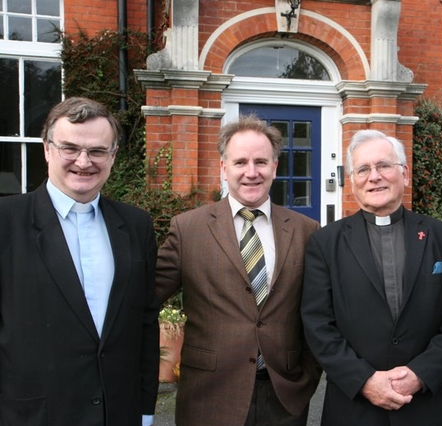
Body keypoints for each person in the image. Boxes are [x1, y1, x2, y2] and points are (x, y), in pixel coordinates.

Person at [0, 97, 160, 425]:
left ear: (113, 156)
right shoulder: (6, 222)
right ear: (47, 150)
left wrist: (145, 410)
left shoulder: (136, 225)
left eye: (98, 151)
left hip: (118, 413)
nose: (84, 162)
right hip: (31, 415)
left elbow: (145, 323)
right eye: (69, 148)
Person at [301, 129, 442, 426]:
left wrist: (421, 373)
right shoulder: (325, 244)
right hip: (354, 407)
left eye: (384, 166)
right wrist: (365, 380)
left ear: (405, 174)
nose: (375, 176)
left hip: (430, 405)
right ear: (352, 181)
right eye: (363, 169)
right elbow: (317, 323)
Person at [155, 115, 322, 426]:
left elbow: (321, 311)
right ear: (223, 168)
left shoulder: (306, 230)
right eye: (240, 162)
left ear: (275, 166)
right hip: (209, 396)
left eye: (261, 161)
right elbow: (143, 299)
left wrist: (308, 374)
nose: (251, 172)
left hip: (284, 398)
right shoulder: (188, 228)